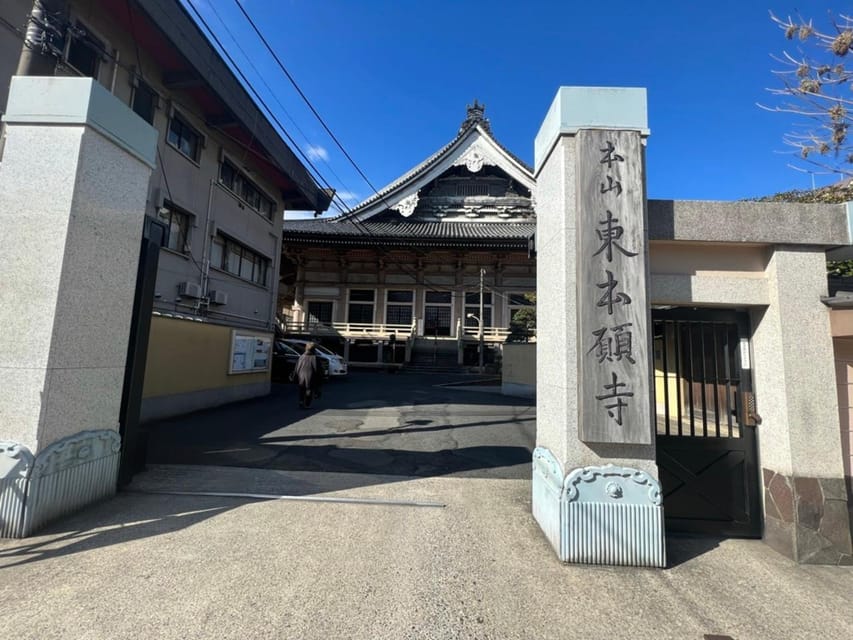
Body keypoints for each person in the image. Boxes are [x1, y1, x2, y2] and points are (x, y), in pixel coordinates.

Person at [293, 341, 321, 408]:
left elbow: (297, 367)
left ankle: (301, 402)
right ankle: (307, 404)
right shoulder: (315, 358)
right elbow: (318, 369)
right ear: (314, 349)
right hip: (311, 376)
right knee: (309, 390)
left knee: (301, 390)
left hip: (301, 376)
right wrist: (319, 379)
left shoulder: (301, 357)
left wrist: (295, 376)